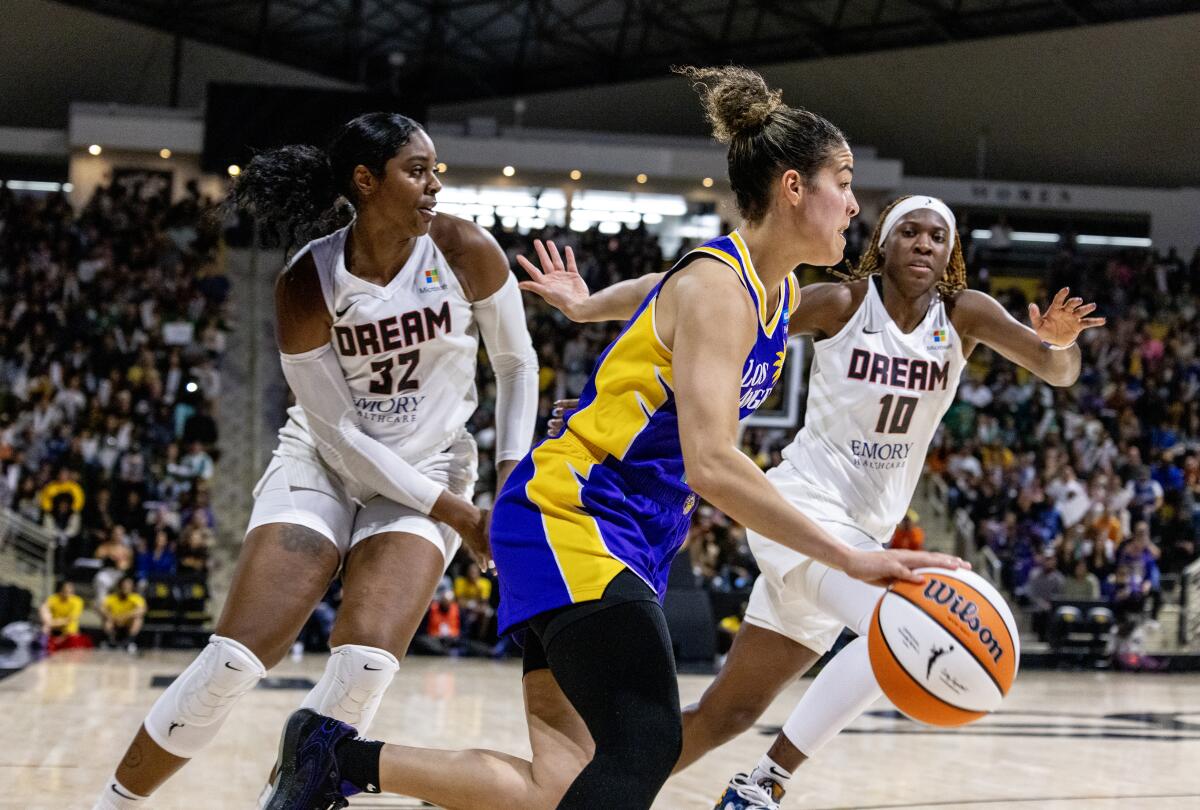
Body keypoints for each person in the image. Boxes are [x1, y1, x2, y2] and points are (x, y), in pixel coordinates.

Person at [263, 65, 964, 810]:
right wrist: (851, 557)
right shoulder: (721, 290)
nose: (855, 205)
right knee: (646, 742)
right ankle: (331, 757)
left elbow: (660, 287)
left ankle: (334, 756)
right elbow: (715, 465)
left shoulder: (772, 288)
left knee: (560, 784)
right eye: (843, 182)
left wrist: (589, 303)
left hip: (619, 529)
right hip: (576, 517)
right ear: (793, 187)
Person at [512, 191, 1104, 809]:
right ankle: (765, 786)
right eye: (909, 232)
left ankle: (570, 798)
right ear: (884, 243)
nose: (923, 244)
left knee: (728, 712)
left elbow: (1056, 371)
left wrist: (1061, 344)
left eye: (936, 236)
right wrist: (587, 309)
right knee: (901, 625)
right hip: (800, 506)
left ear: (950, 251)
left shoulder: (966, 315)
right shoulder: (842, 301)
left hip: (865, 533)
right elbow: (691, 291)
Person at [92, 112, 539, 810]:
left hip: (433, 461)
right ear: (366, 181)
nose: (434, 186)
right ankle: (111, 806)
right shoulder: (307, 282)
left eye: (435, 170)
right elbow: (338, 434)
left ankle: (290, 802)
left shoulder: (462, 248)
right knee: (232, 663)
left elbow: (516, 364)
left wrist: (510, 473)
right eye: (416, 171)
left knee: (364, 664)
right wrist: (455, 512)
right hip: (327, 462)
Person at [100, 576, 146, 653]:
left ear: (132, 587)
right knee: (107, 620)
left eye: (128, 586)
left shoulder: (136, 598)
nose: (126, 587)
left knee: (138, 619)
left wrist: (125, 616)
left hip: (128, 622)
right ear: (120, 586)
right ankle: (111, 642)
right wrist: (111, 616)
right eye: (124, 585)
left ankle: (129, 642)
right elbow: (102, 609)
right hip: (114, 621)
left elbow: (141, 610)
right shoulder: (111, 597)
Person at [39, 581, 88, 653]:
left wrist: (51, 623)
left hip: (68, 632)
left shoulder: (77, 601)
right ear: (60, 591)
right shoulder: (54, 598)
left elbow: (69, 619)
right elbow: (44, 607)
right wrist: (45, 615)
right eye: (66, 591)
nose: (68, 594)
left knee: (71, 633)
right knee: (45, 625)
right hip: (53, 628)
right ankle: (42, 646)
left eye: (70, 592)